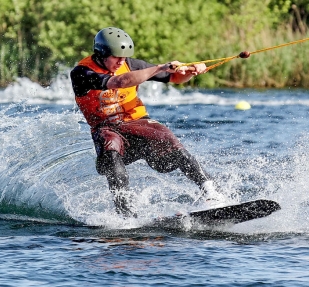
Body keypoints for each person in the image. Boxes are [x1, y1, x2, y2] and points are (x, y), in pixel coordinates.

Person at [70, 27, 223, 217]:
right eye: (116, 57)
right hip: (107, 128)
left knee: (167, 138)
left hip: (138, 123)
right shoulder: (81, 72)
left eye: (124, 57)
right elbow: (119, 82)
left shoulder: (130, 64)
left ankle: (211, 193)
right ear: (101, 54)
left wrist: (191, 71)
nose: (121, 62)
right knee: (110, 149)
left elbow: (175, 77)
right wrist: (159, 67)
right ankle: (126, 213)